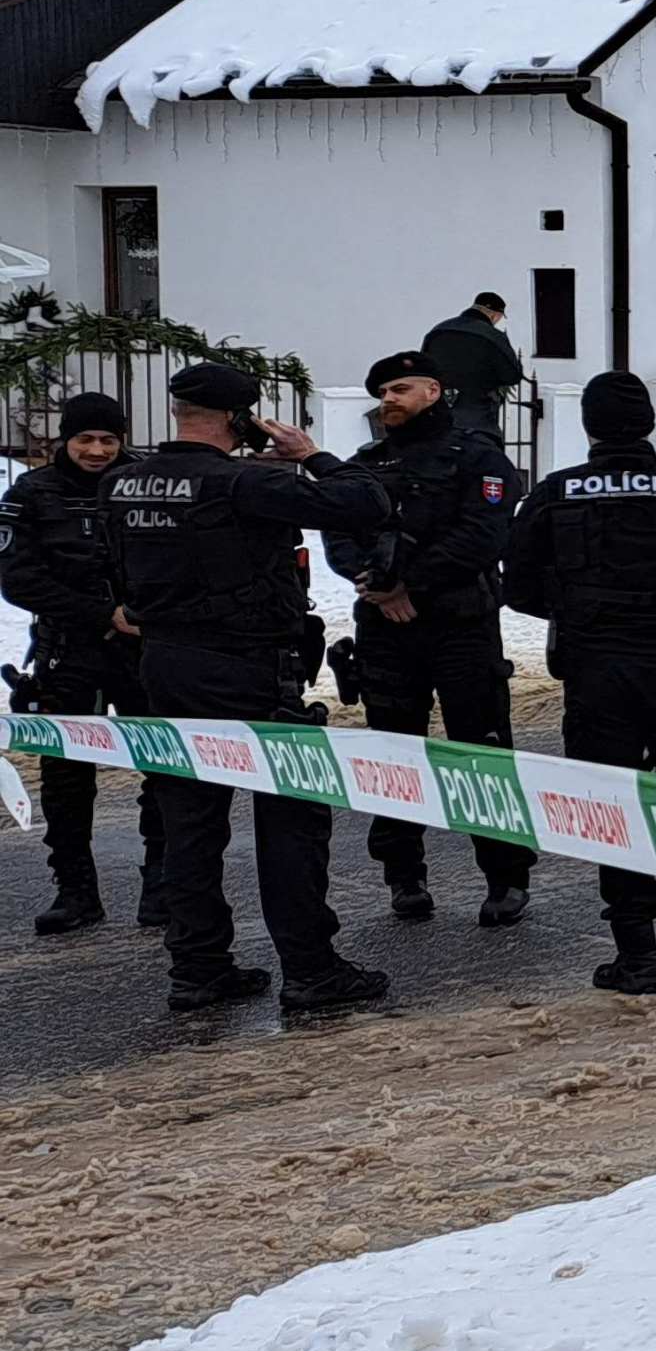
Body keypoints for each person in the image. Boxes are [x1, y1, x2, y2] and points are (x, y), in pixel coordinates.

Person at [109, 362, 396, 1013]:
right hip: (247, 669)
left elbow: (112, 575)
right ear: (239, 419)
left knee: (188, 823)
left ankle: (198, 967)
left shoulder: (124, 484)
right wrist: (313, 455)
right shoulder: (245, 482)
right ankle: (310, 968)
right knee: (291, 816)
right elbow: (367, 504)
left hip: (164, 666)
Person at [503, 372, 656, 994]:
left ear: (588, 426)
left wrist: (581, 610)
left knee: (612, 810)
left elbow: (517, 585)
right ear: (649, 424)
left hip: (597, 676)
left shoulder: (556, 494)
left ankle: (637, 959)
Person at [329, 350, 534, 926]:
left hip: (460, 627)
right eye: (383, 392)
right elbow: (341, 536)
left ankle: (505, 877)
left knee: (480, 754)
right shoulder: (365, 463)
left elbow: (483, 535)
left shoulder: (477, 457)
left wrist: (407, 584)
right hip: (386, 633)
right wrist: (376, 585)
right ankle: (404, 877)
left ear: (434, 390)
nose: (388, 399)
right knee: (393, 756)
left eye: (400, 388)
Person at [1, 392, 162, 934]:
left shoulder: (148, 482)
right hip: (69, 652)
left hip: (146, 650)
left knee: (165, 766)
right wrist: (103, 614)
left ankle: (161, 885)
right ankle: (75, 891)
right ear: (63, 441)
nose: (96, 451)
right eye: (85, 440)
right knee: (67, 777)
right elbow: (18, 579)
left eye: (107, 440)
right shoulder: (31, 493)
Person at [421, 293, 529, 443]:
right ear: (495, 316)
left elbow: (423, 369)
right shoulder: (493, 336)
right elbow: (512, 375)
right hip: (479, 417)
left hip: (438, 413)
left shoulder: (437, 331)